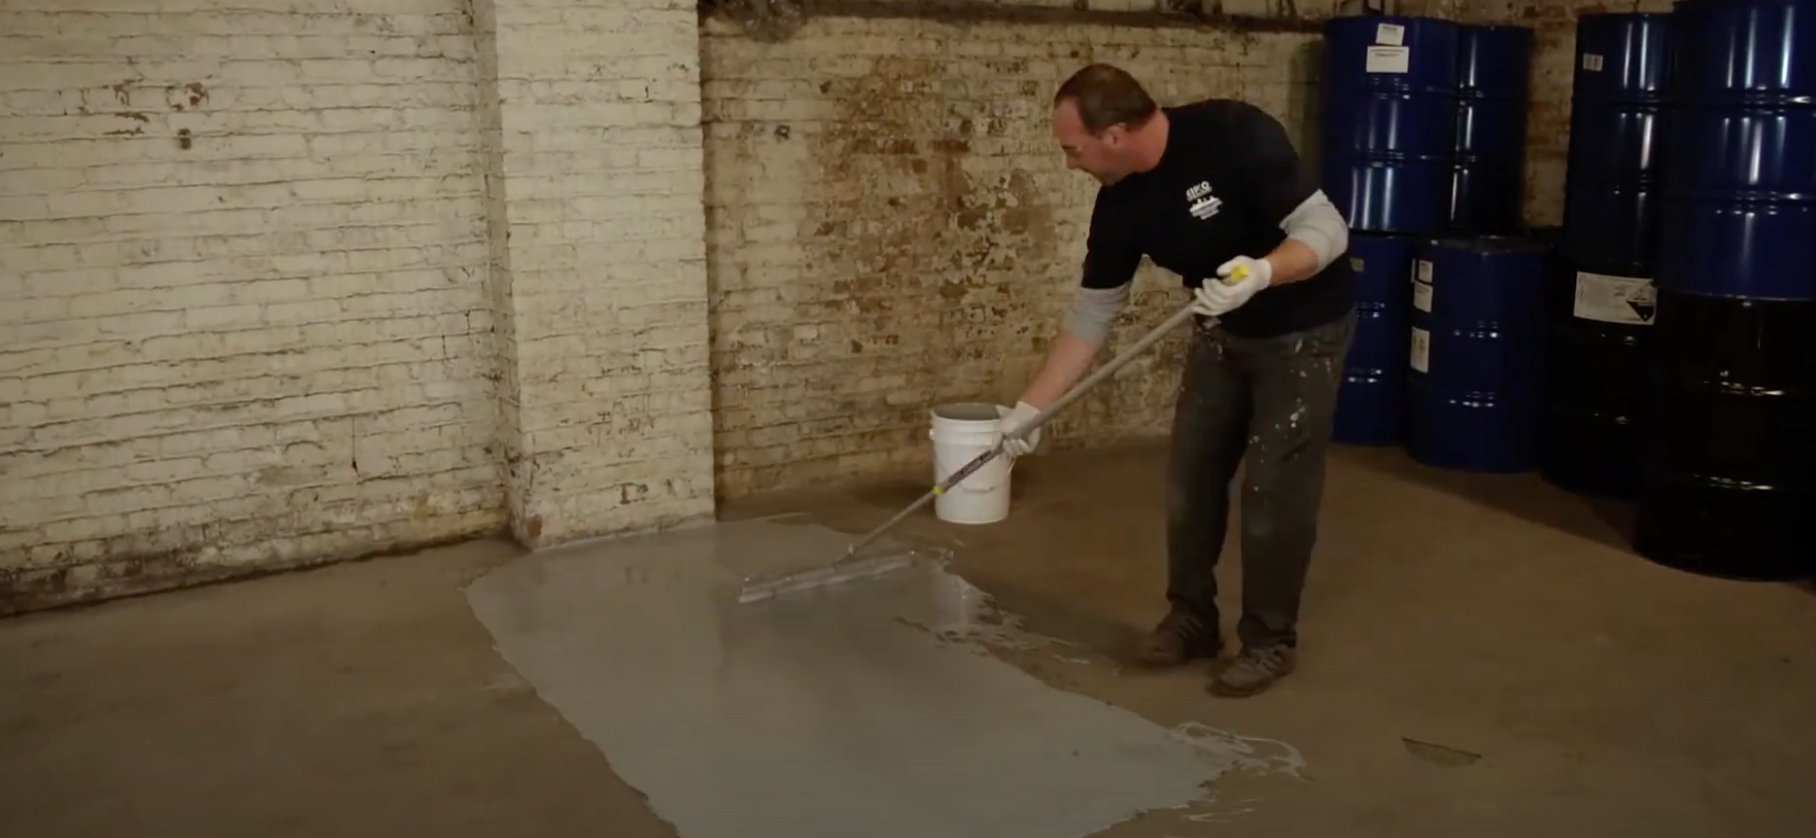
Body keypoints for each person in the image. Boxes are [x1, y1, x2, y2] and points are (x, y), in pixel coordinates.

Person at [1001, 64, 1356, 698]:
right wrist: (1028, 412)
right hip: (1221, 331)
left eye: (1071, 149)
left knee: (1274, 490)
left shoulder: (1232, 133)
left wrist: (1264, 272)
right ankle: (1192, 619)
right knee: (1190, 478)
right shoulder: (1121, 203)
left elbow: (1327, 231)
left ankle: (1269, 640)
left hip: (1303, 329)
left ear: (1112, 134)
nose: (1069, 164)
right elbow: (1091, 316)